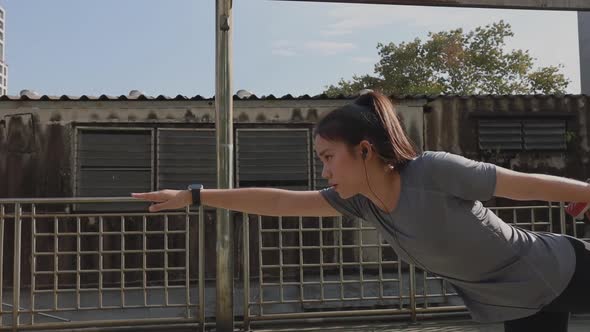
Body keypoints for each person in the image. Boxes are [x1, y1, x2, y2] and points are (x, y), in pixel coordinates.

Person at [132, 91, 590, 332]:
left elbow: (513, 184)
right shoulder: (362, 203)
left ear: (365, 150)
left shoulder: (431, 172)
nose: (325, 170)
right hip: (518, 302)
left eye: (329, 157)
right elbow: (277, 201)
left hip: (566, 270)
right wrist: (196, 196)